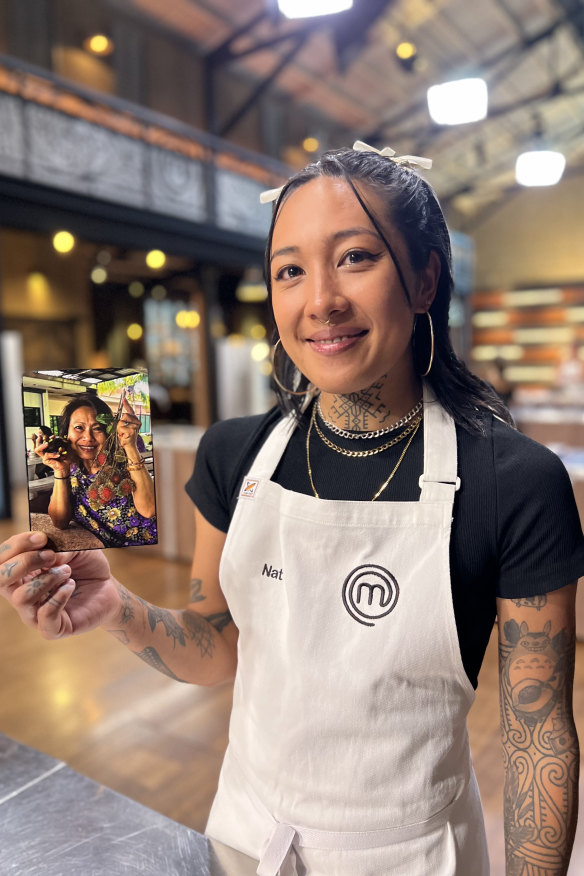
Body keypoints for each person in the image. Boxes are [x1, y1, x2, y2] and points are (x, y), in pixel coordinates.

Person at [1, 143, 583, 875]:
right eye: (290, 270)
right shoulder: (235, 453)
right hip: (246, 835)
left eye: (356, 257)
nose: (321, 301)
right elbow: (216, 648)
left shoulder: (513, 481)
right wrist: (114, 605)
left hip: (414, 856)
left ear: (426, 278)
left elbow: (537, 734)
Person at [32, 394, 156, 548]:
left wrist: (130, 446)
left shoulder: (124, 460)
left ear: (108, 432)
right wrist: (61, 471)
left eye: (97, 428)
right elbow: (59, 522)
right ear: (66, 433)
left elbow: (149, 510)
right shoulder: (73, 469)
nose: (88, 437)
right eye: (79, 428)